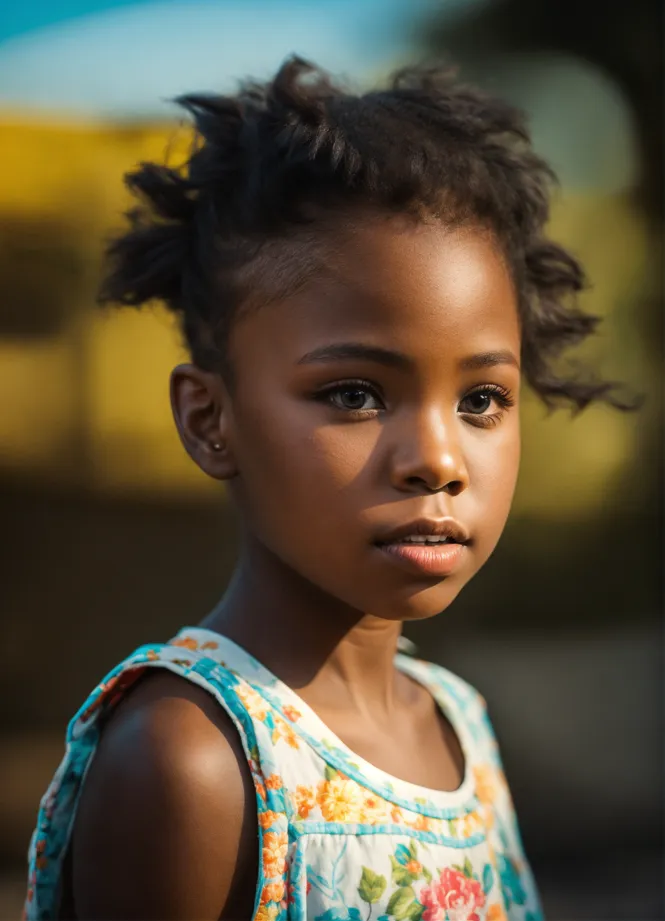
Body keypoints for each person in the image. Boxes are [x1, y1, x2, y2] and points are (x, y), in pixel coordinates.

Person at [24, 56, 630, 921]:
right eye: (354, 394)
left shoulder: (458, 723)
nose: (437, 458)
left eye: (481, 399)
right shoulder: (192, 763)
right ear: (209, 419)